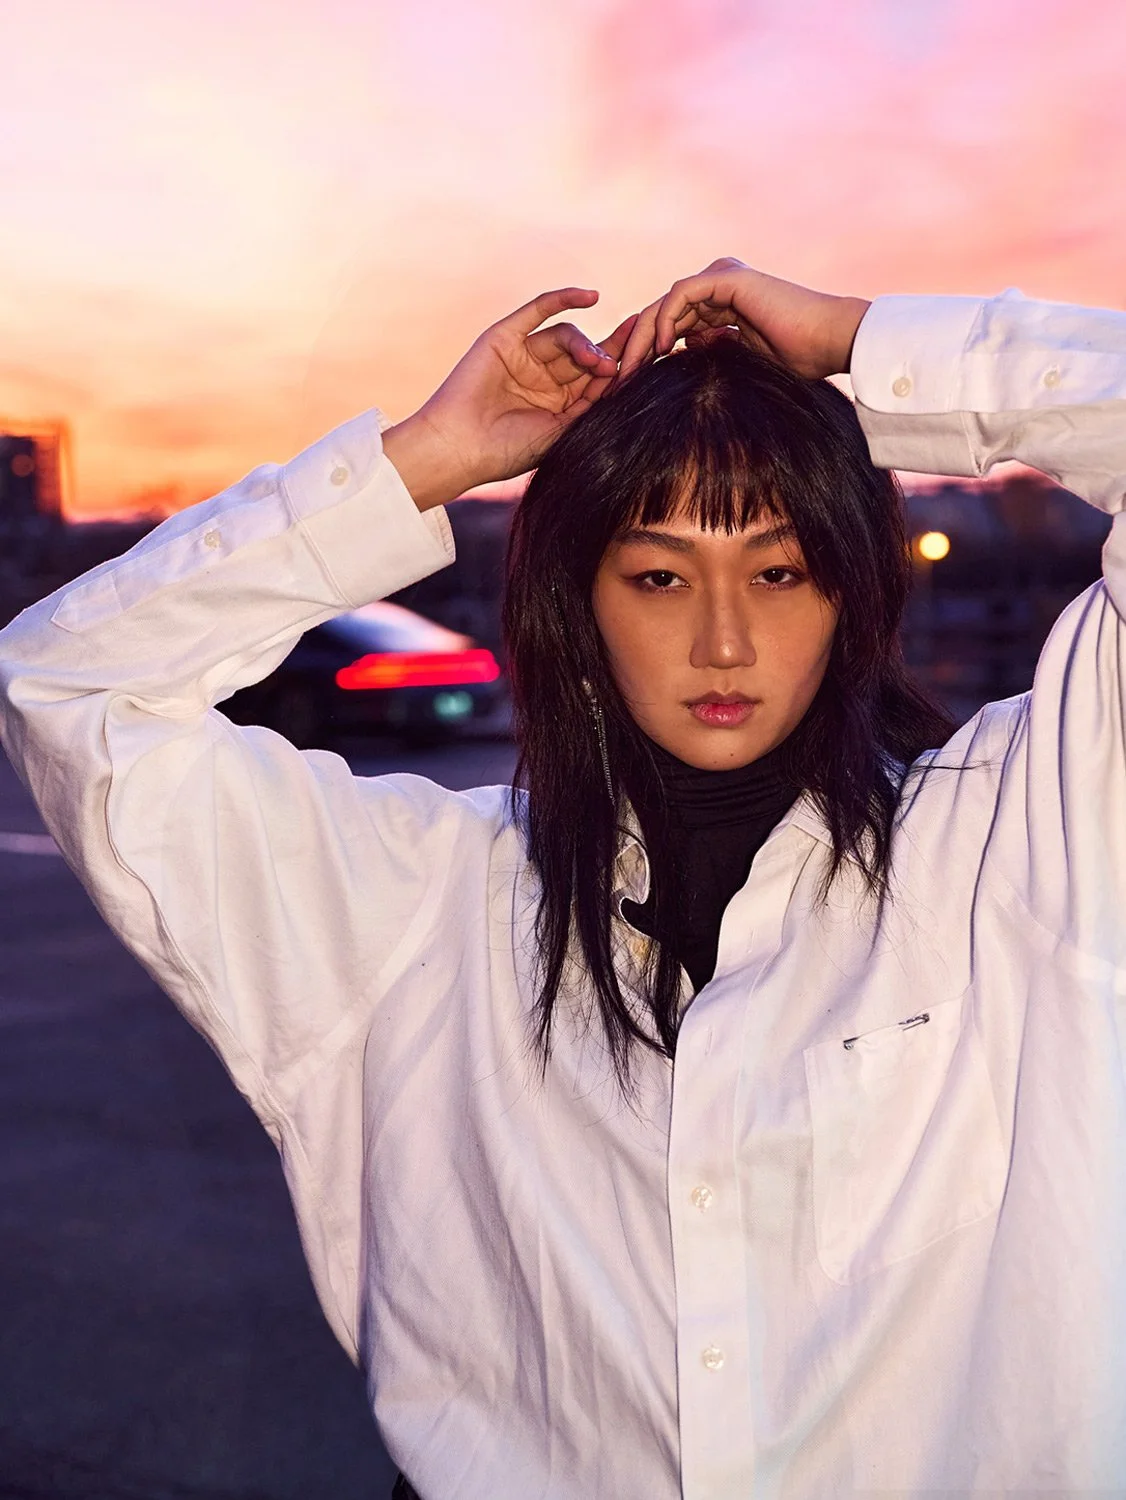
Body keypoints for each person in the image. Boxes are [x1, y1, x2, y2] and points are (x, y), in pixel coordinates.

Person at [1, 258, 1125, 1498]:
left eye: (778, 570)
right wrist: (422, 460)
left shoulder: (1020, 841)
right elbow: (70, 687)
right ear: (575, 605)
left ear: (849, 594)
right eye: (656, 577)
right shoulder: (415, 907)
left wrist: (867, 344)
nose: (723, 640)